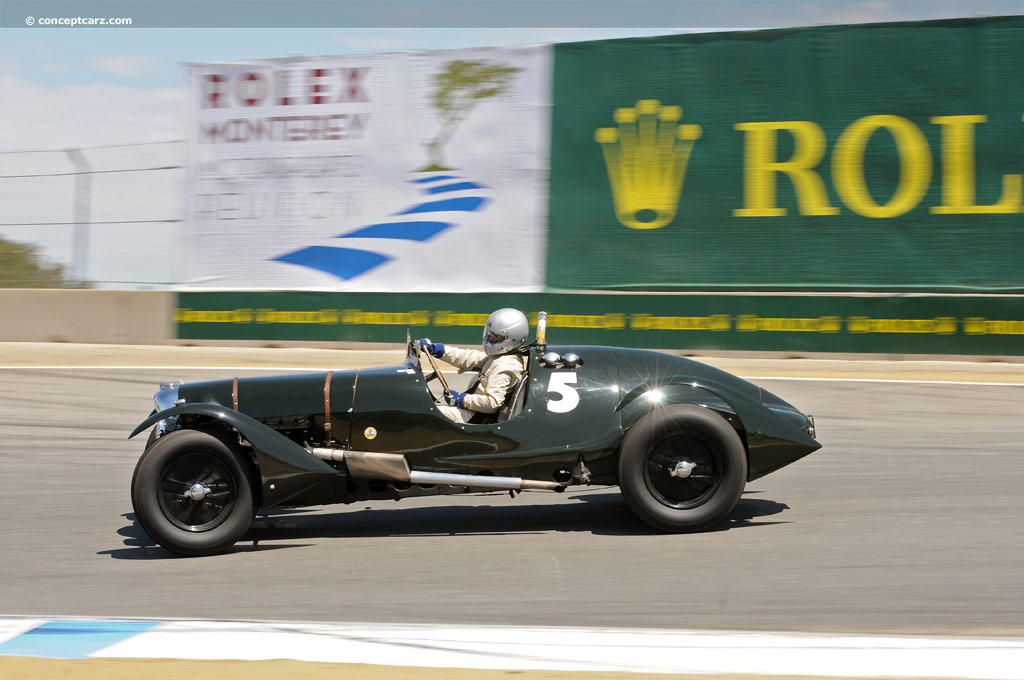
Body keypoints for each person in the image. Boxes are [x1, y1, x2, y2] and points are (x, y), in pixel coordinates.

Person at [419, 308, 529, 423]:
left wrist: (461, 399)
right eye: (490, 334)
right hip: (472, 412)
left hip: (474, 417)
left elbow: (492, 403)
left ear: (512, 339)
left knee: (420, 412)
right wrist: (439, 350)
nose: (490, 338)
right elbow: (469, 357)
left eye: (496, 337)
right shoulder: (501, 357)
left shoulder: (505, 364)